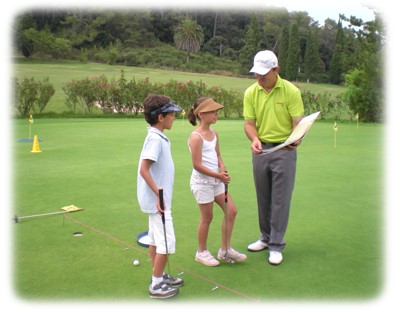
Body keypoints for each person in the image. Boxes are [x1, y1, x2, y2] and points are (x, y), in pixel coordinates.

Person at [243, 50, 304, 265]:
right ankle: (265, 237)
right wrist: (254, 139)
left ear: (276, 70)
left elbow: (298, 123)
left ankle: (276, 245)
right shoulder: (251, 92)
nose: (259, 78)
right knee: (264, 198)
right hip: (261, 151)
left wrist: (297, 139)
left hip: (284, 151)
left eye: (264, 74)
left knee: (280, 199)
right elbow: (249, 124)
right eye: (256, 74)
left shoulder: (291, 91)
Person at [187, 97, 247, 266]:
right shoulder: (196, 137)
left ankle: (225, 250)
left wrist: (223, 169)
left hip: (216, 180)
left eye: (216, 111)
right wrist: (218, 175)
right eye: (213, 111)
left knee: (231, 211)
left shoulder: (214, 134)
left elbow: (218, 155)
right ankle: (201, 252)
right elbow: (197, 165)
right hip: (202, 183)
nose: (216, 114)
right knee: (207, 217)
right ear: (201, 114)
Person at [137, 94, 184, 299]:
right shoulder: (155, 139)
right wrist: (160, 195)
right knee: (166, 241)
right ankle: (156, 284)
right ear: (160, 118)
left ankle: (160, 274)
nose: (174, 117)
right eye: (171, 114)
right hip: (158, 202)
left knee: (156, 239)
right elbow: (144, 169)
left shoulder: (158, 137)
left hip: (157, 200)